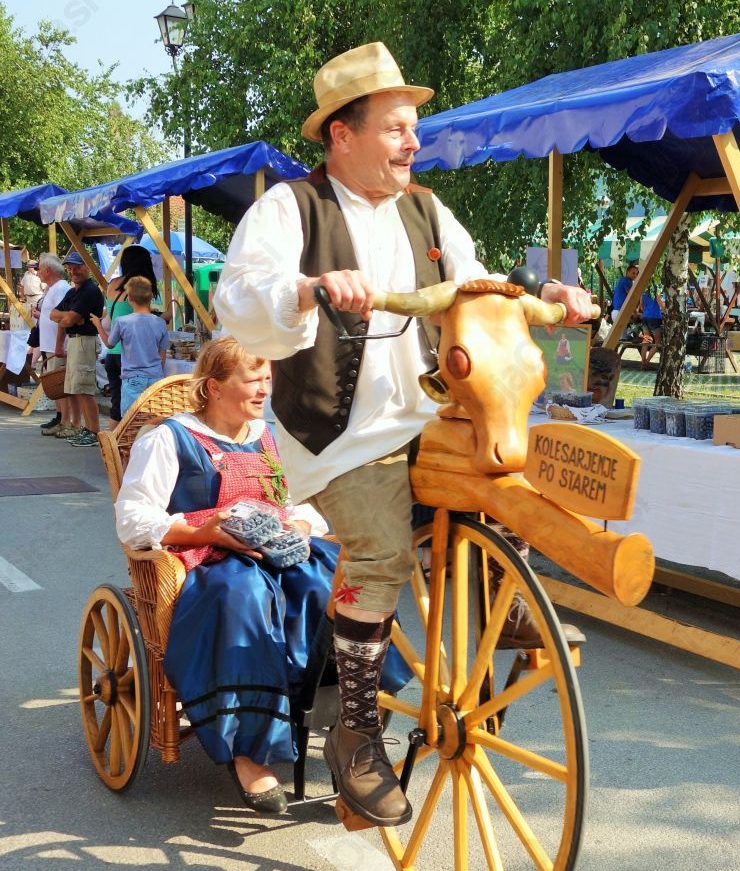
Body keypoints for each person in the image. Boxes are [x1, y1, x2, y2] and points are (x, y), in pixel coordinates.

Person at [216, 42, 594, 826]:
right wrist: (308, 288)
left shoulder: (426, 210)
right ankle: (355, 734)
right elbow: (241, 298)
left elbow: (480, 283)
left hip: (421, 417)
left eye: (412, 128)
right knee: (383, 547)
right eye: (394, 128)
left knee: (499, 462)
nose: (412, 142)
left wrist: (545, 293)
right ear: (341, 135)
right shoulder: (291, 209)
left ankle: (499, 594)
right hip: (338, 438)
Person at [114, 337, 374, 813]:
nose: (264, 390)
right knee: (246, 597)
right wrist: (204, 531)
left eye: (267, 379)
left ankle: (347, 725)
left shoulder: (269, 436)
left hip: (278, 549)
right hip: (209, 558)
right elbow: (132, 517)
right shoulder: (169, 438)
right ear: (214, 387)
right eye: (253, 380)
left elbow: (302, 501)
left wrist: (298, 525)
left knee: (330, 586)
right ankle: (249, 751)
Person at [102, 245, 163, 425]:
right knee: (144, 411)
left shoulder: (113, 284)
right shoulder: (140, 287)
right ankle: (132, 441)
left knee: (117, 408)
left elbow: (112, 317)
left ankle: (114, 442)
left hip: (113, 354)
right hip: (134, 357)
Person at [91, 276, 168, 414]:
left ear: (129, 298)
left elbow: (109, 344)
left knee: (131, 419)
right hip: (155, 377)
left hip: (133, 378)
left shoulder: (122, 322)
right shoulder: (160, 323)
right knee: (154, 418)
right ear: (151, 297)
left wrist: (98, 325)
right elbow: (162, 355)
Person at [50, 251, 103, 446]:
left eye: (76, 267)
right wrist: (69, 317)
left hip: (84, 341)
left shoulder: (90, 291)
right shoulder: (73, 292)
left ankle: (93, 431)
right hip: (75, 341)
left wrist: (68, 317)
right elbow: (53, 314)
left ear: (87, 267)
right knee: (77, 388)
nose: (72, 271)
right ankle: (86, 429)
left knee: (84, 389)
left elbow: (67, 320)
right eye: (70, 268)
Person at [35, 254, 72, 434]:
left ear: (48, 270)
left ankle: (65, 420)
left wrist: (59, 345)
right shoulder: (52, 288)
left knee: (60, 385)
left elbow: (62, 318)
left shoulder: (61, 288)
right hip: (49, 345)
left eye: (40, 269)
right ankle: (60, 416)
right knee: (55, 385)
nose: (38, 272)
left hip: (56, 346)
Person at [639, 290, 665, 368]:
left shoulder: (643, 291)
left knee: (646, 340)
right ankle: (646, 362)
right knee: (657, 343)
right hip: (655, 318)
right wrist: (665, 310)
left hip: (645, 317)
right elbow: (660, 303)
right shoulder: (655, 289)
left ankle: (643, 362)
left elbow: (641, 306)